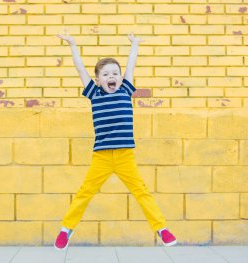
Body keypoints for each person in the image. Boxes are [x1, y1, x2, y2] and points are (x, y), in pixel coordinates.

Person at [54, 32, 177, 250]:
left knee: (141, 191)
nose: (112, 76)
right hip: (101, 156)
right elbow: (80, 69)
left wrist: (135, 45)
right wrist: (72, 44)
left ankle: (161, 228)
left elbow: (131, 66)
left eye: (115, 73)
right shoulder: (94, 94)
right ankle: (66, 229)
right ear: (98, 80)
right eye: (107, 74)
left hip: (124, 156)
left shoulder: (125, 90)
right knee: (85, 192)